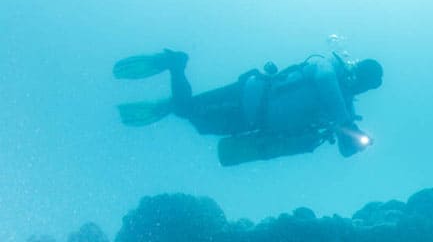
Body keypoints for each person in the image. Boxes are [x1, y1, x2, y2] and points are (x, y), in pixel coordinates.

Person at [113, 49, 383, 165]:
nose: (360, 87)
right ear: (355, 69)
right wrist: (346, 122)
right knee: (188, 111)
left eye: (366, 87)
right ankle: (176, 63)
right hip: (247, 98)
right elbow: (323, 80)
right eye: (363, 80)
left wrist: (355, 141)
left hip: (252, 123)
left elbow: (345, 151)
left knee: (200, 126)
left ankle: (173, 102)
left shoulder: (342, 107)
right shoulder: (328, 67)